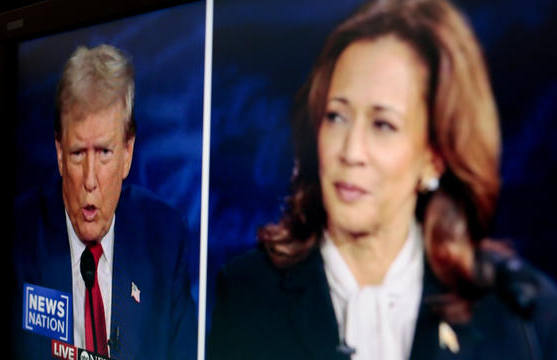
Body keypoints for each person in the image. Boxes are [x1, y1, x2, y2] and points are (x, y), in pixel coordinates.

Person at [207, 1, 557, 359]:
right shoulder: (248, 293)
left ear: (434, 157)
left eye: (383, 125)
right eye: (337, 117)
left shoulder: (519, 311)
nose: (351, 151)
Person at [12, 44, 196, 359]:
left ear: (127, 153)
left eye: (104, 153)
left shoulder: (164, 238)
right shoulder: (19, 235)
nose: (90, 179)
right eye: (78, 153)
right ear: (59, 154)